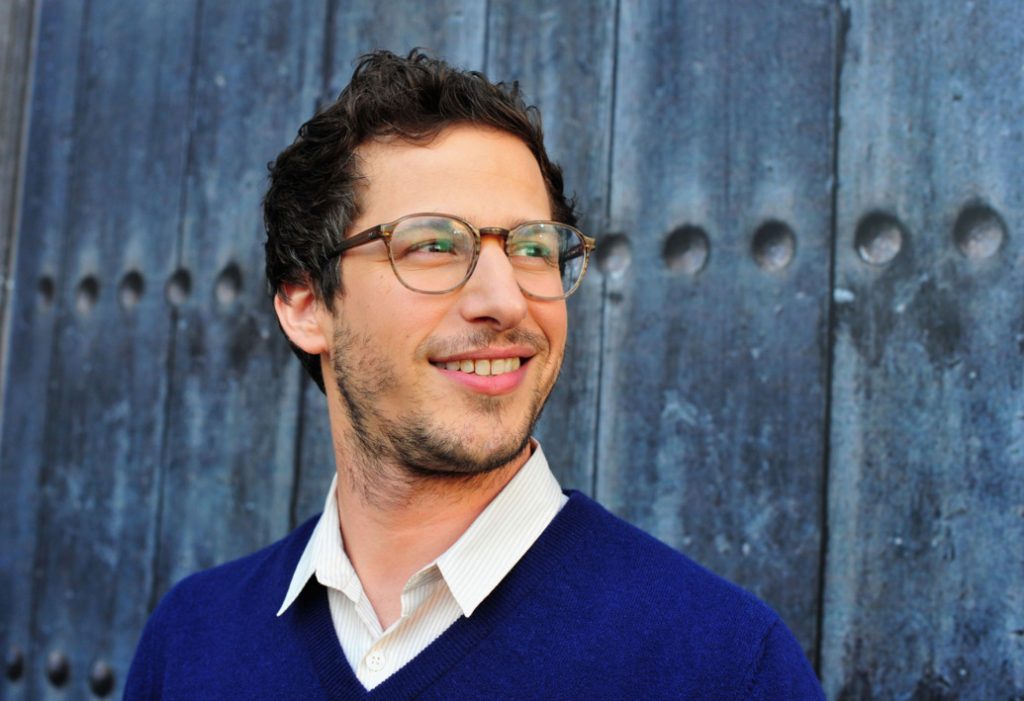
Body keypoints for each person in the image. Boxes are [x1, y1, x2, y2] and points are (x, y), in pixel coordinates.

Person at [125, 49, 825, 700]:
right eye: (433, 244)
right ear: (307, 305)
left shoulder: (724, 665)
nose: (505, 300)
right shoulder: (190, 642)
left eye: (533, 248)